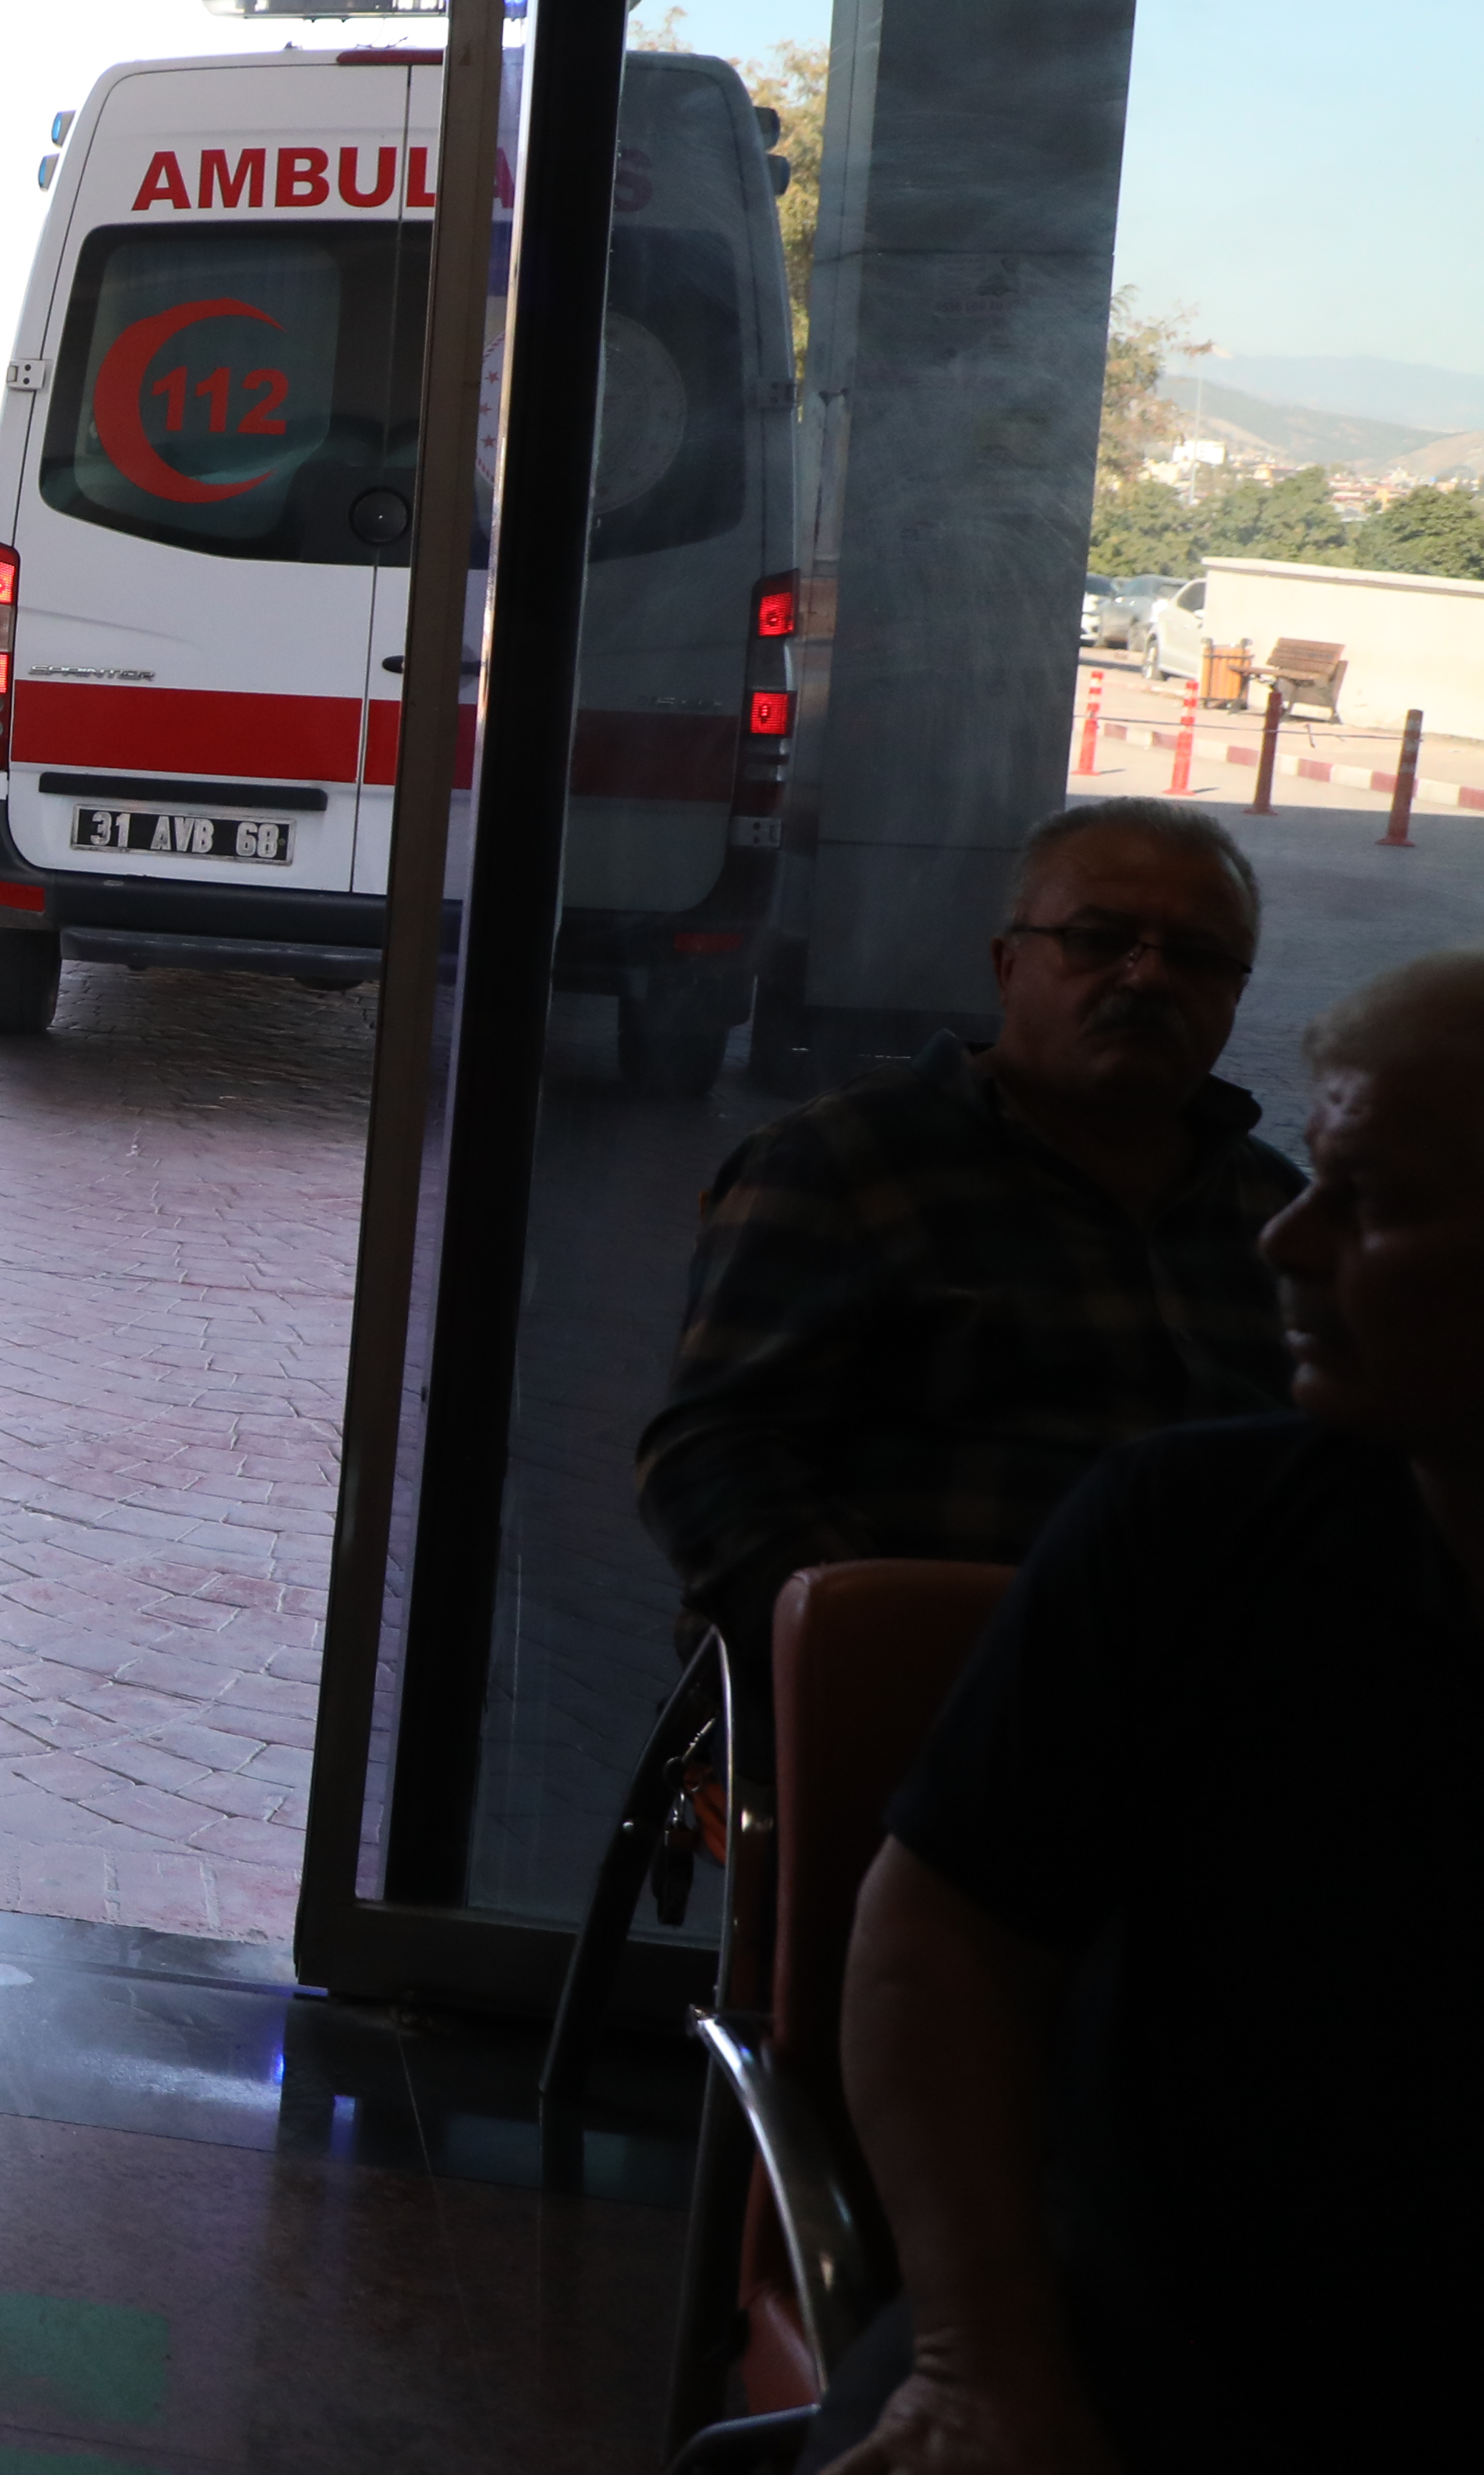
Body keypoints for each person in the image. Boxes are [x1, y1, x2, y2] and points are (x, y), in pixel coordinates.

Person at [806, 945, 1484, 2471]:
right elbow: (941, 1943)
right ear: (1003, 965)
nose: (1291, 1241)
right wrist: (985, 2359)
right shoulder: (1190, 1530)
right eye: (1319, 1179)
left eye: (1371, 1200)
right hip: (1135, 2330)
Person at [635, 799, 1298, 1673]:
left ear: (1237, 992)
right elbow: (711, 1459)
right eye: (1097, 939)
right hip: (906, 1724)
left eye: (1199, 957)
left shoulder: (1281, 1214)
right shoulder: (848, 1164)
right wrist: (893, 1664)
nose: (1147, 977)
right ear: (1006, 964)